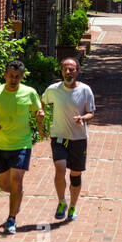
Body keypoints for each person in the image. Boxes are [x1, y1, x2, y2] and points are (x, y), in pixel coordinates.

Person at [0, 59, 45, 234]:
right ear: (5, 75)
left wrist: (40, 117)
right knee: (5, 186)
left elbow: (38, 112)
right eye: (11, 76)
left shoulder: (29, 93)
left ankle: (11, 218)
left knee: (17, 181)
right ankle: (17, 199)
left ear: (22, 77)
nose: (14, 79)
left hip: (22, 143)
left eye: (17, 76)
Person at [40, 56, 96, 221]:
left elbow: (91, 112)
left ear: (77, 71)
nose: (68, 72)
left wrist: (83, 118)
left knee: (75, 175)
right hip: (58, 136)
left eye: (71, 69)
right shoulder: (53, 89)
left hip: (78, 138)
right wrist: (41, 113)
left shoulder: (85, 90)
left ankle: (72, 206)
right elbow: (41, 102)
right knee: (60, 169)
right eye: (65, 69)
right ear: (61, 71)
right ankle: (61, 201)